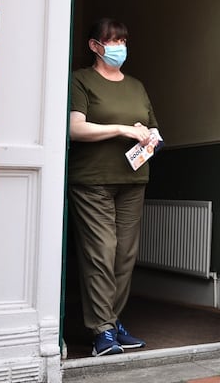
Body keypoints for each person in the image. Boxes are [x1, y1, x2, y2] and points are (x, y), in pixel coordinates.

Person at [67, 18, 160, 357]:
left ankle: (112, 322)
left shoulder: (136, 85)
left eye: (123, 39)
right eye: (113, 40)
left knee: (125, 256)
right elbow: (75, 129)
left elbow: (154, 129)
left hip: (133, 180)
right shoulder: (81, 80)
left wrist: (150, 138)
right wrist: (121, 128)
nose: (120, 46)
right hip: (92, 181)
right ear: (95, 45)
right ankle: (101, 331)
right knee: (101, 253)